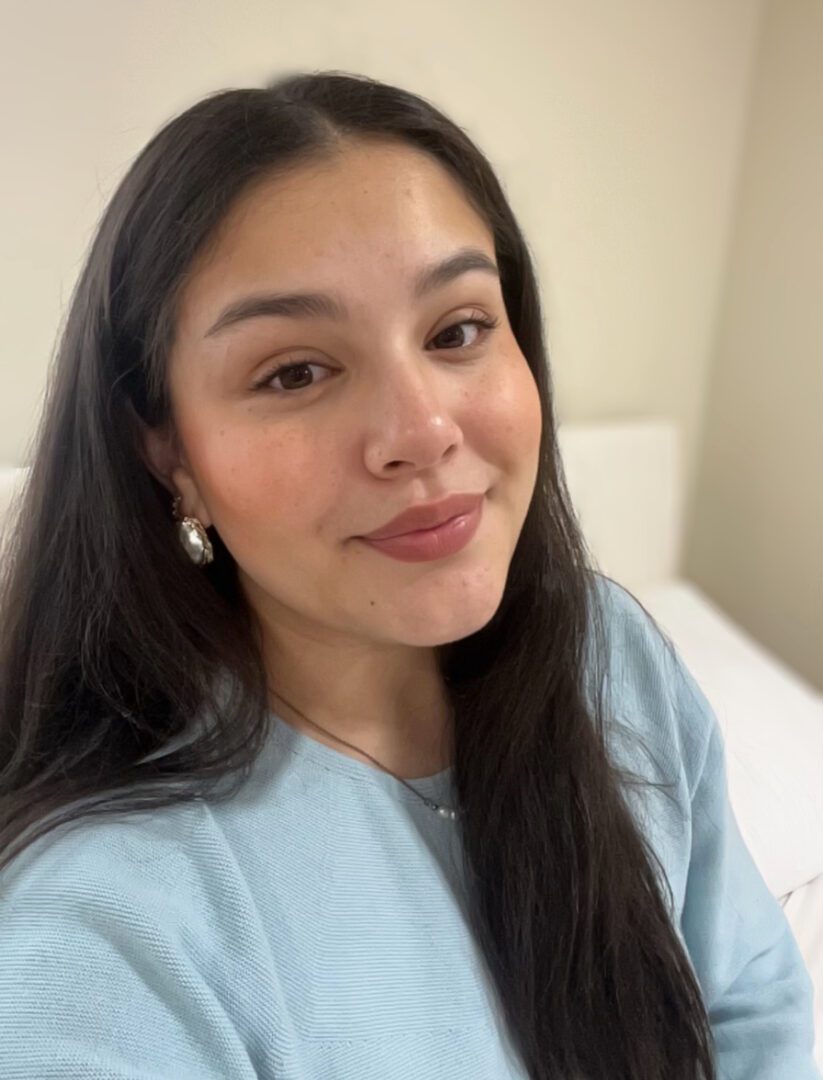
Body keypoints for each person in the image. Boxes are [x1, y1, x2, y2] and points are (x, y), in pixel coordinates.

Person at [0, 70, 818, 1080]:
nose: (423, 431)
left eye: (457, 331)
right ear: (170, 456)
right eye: (294, 371)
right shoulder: (102, 946)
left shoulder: (609, 655)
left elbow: (745, 1002)